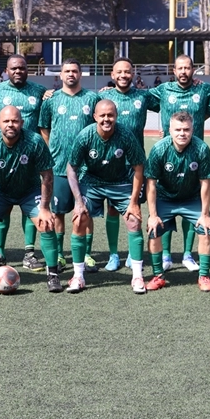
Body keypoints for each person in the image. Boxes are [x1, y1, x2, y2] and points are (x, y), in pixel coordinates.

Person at [0, 106, 62, 292]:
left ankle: (53, 275)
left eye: (15, 121)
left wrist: (44, 208)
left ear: (22, 123)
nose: (11, 124)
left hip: (30, 191)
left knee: (47, 224)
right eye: (6, 121)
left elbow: (47, 176)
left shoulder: (34, 141)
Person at [65, 101, 146, 293]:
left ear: (116, 116)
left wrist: (134, 202)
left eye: (110, 115)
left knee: (134, 220)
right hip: (92, 182)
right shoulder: (85, 135)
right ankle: (78, 276)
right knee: (79, 219)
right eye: (102, 116)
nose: (106, 119)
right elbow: (71, 168)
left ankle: (137, 276)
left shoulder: (125, 135)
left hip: (120, 182)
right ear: (95, 117)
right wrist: (78, 201)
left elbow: (138, 167)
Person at [148, 55, 210, 272]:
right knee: (165, 203)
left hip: (195, 156)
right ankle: (166, 255)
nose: (184, 72)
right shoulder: (163, 90)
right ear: (174, 70)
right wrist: (108, 90)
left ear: (193, 70)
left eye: (188, 68)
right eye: (180, 68)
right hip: (168, 155)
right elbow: (137, 97)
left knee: (191, 202)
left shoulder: (204, 90)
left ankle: (188, 254)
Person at [35, 59, 101, 274]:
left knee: (85, 211)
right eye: (67, 71)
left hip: (86, 168)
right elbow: (44, 129)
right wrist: (52, 152)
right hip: (59, 166)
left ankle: (87, 254)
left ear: (81, 74)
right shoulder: (51, 100)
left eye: (75, 70)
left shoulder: (92, 98)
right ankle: (61, 255)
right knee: (59, 212)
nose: (71, 74)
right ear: (60, 75)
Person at [0, 56, 48, 271]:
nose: (18, 71)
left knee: (30, 205)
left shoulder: (39, 90)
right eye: (14, 68)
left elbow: (47, 114)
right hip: (4, 154)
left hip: (30, 156)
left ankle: (29, 253)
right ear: (6, 70)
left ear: (27, 70)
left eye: (22, 68)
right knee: (2, 206)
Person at [143, 112, 210, 293]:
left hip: (192, 198)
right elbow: (151, 184)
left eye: (186, 130)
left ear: (193, 130)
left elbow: (205, 184)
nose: (182, 133)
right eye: (178, 129)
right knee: (153, 230)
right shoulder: (159, 149)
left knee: (205, 229)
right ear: (169, 130)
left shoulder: (201, 149)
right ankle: (158, 275)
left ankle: (204, 275)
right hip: (165, 197)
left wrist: (205, 215)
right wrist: (152, 215)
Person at [98, 58, 159, 271]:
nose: (124, 75)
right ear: (113, 75)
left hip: (136, 165)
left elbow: (169, 101)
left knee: (135, 210)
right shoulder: (103, 97)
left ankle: (134, 255)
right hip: (112, 164)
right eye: (119, 72)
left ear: (133, 74)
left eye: (127, 72)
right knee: (113, 210)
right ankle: (114, 254)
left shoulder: (144, 96)